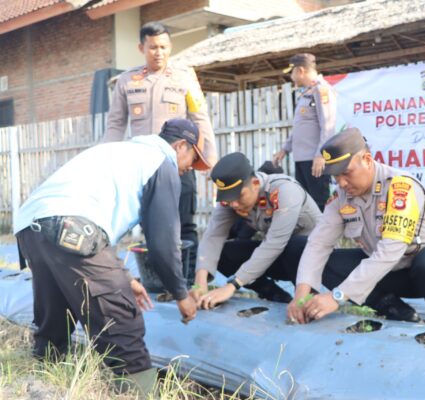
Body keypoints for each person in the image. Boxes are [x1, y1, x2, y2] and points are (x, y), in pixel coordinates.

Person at [14, 118, 203, 397]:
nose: (189, 168)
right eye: (192, 159)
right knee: (120, 318)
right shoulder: (162, 163)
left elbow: (91, 216)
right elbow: (163, 241)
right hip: (72, 226)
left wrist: (125, 277)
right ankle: (140, 393)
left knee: (57, 314)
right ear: (181, 145)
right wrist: (181, 294)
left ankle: (43, 382)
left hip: (31, 226)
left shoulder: (122, 152)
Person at [287, 128, 425, 324]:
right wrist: (300, 294)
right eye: (335, 176)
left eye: (346, 173)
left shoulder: (400, 187)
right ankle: (396, 310)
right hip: (393, 272)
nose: (341, 183)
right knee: (322, 259)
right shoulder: (342, 196)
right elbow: (318, 244)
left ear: (367, 160)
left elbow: (390, 251)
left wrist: (337, 297)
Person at [103, 21, 218, 282]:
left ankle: (190, 279)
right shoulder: (127, 80)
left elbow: (200, 118)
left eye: (164, 47)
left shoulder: (184, 77)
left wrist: (209, 159)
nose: (159, 52)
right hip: (143, 166)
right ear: (141, 47)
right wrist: (107, 158)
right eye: (153, 47)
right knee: (151, 224)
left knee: (184, 223)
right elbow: (116, 124)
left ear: (170, 47)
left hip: (180, 163)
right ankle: (160, 279)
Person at [191, 152, 322, 308]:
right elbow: (213, 236)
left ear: (254, 183)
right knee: (227, 253)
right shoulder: (232, 201)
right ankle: (276, 296)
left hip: (312, 260)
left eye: (239, 196)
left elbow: (275, 243)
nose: (234, 204)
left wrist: (233, 285)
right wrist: (200, 281)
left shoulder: (284, 191)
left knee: (295, 246)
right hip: (278, 255)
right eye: (228, 198)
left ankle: (308, 299)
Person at [273, 53, 336, 211]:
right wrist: (284, 149)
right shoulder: (306, 92)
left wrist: (321, 154)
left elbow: (327, 125)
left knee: (319, 204)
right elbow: (300, 126)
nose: (292, 77)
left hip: (315, 160)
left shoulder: (322, 90)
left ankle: (323, 236)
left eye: (292, 72)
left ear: (300, 70)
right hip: (302, 159)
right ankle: (308, 236)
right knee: (304, 205)